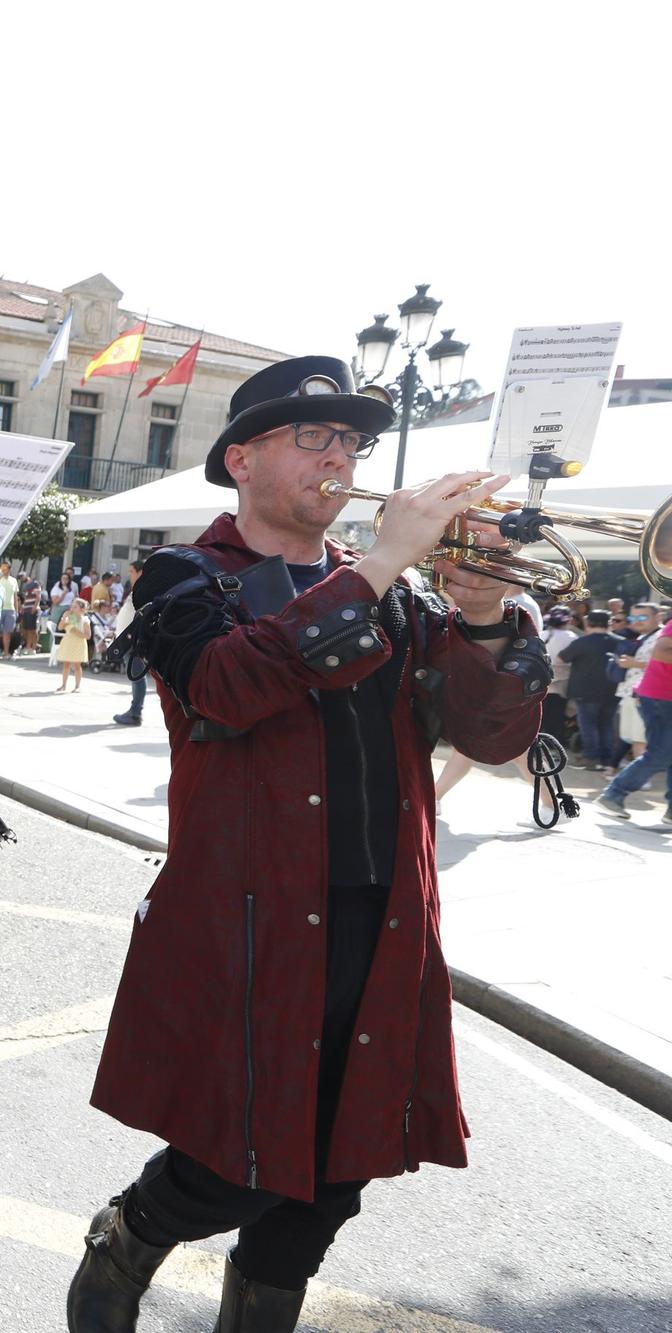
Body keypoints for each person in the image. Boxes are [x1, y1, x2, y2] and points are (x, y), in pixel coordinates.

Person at [68, 355, 546, 1332]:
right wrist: (377, 566)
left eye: (350, 441)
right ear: (239, 459)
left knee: (337, 1173)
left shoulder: (401, 601)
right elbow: (225, 688)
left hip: (381, 924)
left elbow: (493, 735)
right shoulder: (184, 574)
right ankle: (130, 1231)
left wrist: (486, 612)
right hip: (252, 921)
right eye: (313, 436)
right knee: (226, 1160)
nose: (340, 457)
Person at [595, 605, 670, 824]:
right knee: (659, 753)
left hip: (662, 696)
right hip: (661, 697)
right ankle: (613, 794)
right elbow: (662, 651)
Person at [561, 609, 624, 772]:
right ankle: (606, 759)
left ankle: (591, 758)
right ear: (609, 623)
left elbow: (562, 657)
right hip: (613, 690)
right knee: (607, 725)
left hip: (585, 691)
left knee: (588, 726)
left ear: (588, 624)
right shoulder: (621, 641)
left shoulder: (582, 642)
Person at [112, 558, 151, 726]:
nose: (129, 575)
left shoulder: (144, 590)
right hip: (128, 639)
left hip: (133, 640)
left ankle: (135, 713)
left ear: (140, 572)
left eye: (131, 571)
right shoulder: (138, 589)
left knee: (137, 676)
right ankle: (134, 711)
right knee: (136, 676)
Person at [539, 607, 578, 745]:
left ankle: (536, 740)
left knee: (540, 713)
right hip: (562, 680)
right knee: (556, 714)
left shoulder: (542, 634)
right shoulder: (571, 636)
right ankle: (554, 742)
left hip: (540, 678)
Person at [55, 595, 90, 691]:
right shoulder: (69, 618)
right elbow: (60, 627)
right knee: (66, 664)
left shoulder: (85, 620)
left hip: (78, 644)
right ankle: (63, 685)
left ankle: (77, 686)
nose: (72, 609)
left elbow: (88, 635)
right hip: (68, 642)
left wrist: (76, 631)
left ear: (82, 609)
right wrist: (64, 618)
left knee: (77, 665)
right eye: (72, 606)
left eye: (75, 607)